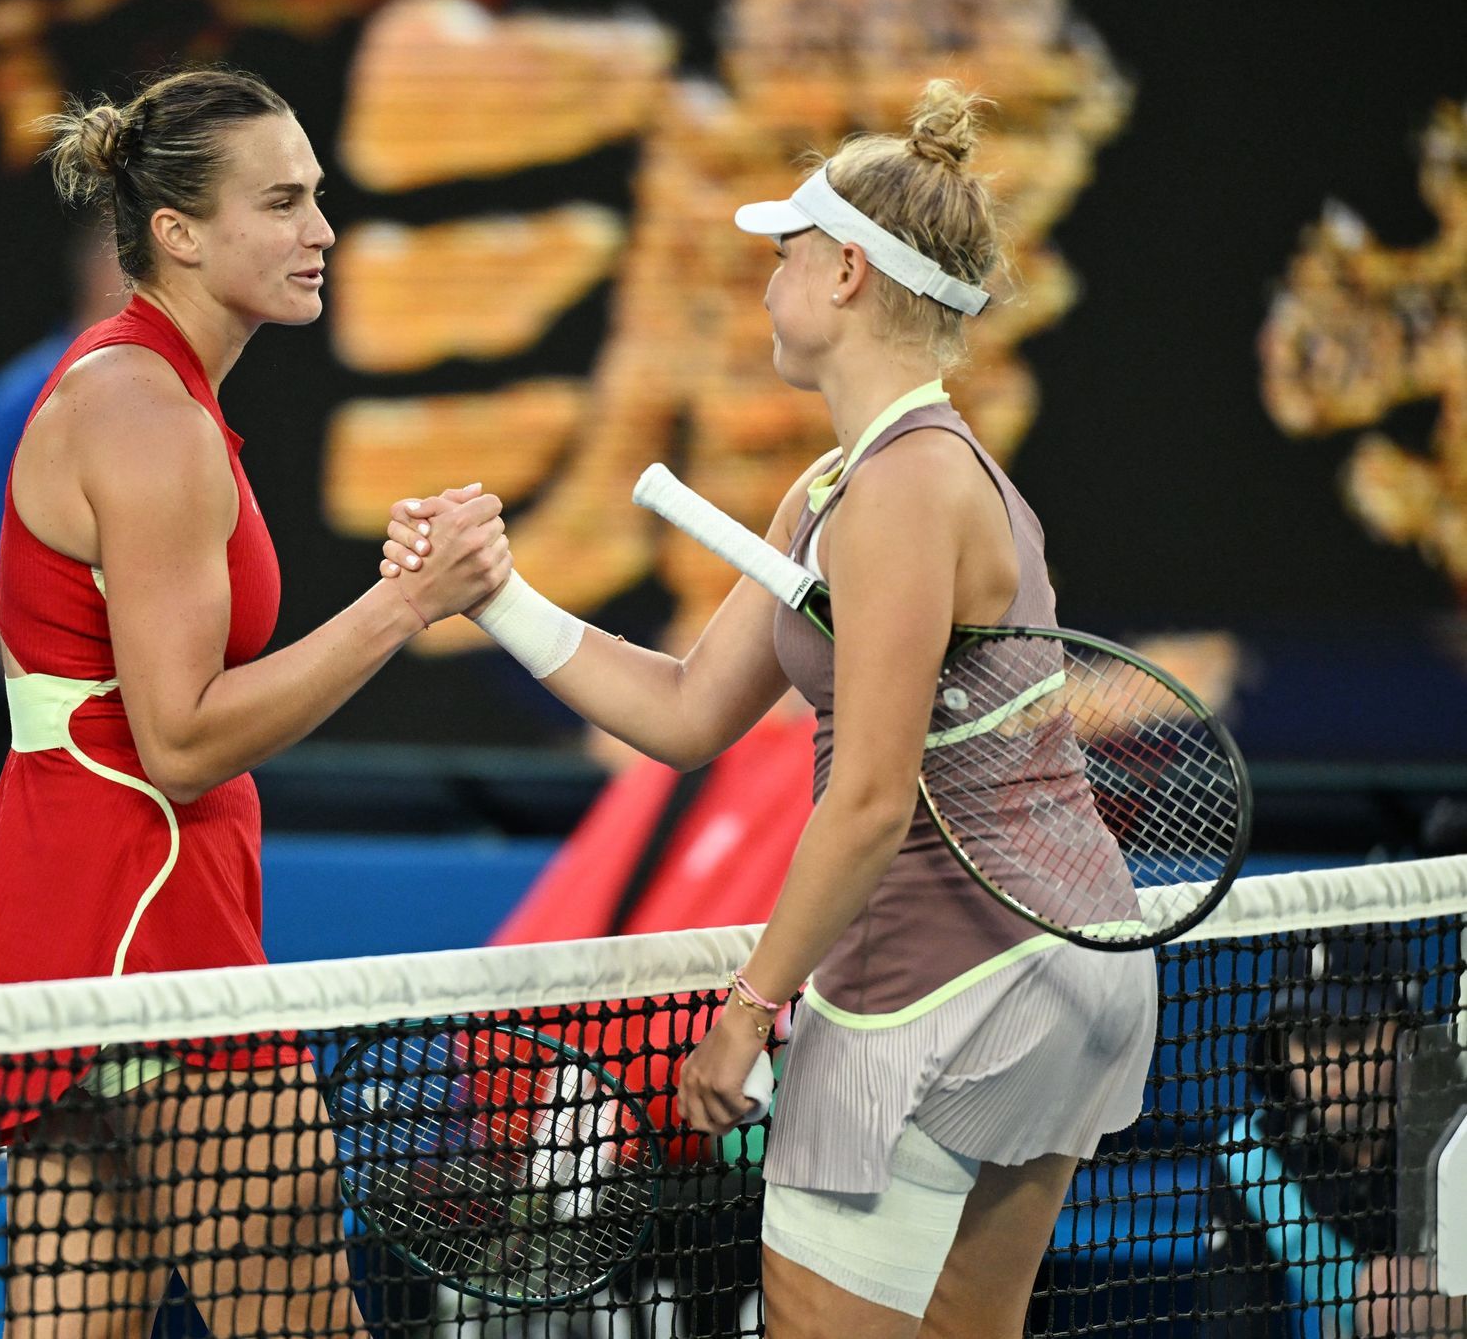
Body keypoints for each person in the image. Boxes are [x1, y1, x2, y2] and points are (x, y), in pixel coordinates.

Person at [383, 79, 1157, 1337]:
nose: (764, 279)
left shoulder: (906, 488)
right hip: (1058, 972)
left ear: (848, 275)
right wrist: (498, 596)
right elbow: (687, 713)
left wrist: (746, 1014)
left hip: (945, 987)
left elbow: (866, 799)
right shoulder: (844, 483)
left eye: (785, 252)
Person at [0, 65, 508, 1339]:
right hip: (144, 905)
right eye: (281, 202)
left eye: (318, 198)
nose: (322, 232)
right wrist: (407, 602)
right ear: (176, 233)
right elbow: (177, 738)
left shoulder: (143, 392)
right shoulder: (143, 412)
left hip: (84, 900)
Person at [1206, 933, 1467, 1338]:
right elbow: (1236, 1328)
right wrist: (1356, 1293)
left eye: (1350, 1033)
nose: (1329, 1062)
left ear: (1405, 1031)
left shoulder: (1460, 1131)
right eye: (1307, 1039)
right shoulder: (1248, 1160)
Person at [0, 221, 124, 807]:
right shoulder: (21, 401)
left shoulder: (173, 403)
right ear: (104, 272)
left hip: (138, 738)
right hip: (39, 743)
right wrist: (68, 723)